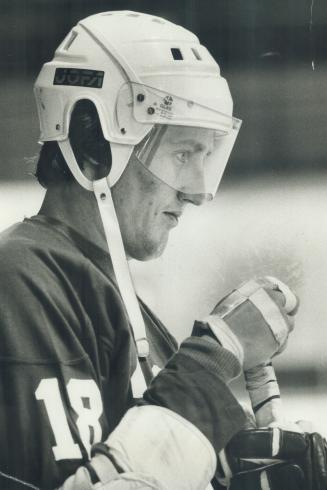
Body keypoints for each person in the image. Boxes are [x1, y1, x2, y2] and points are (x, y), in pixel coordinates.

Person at [0, 10, 325, 490]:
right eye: (182, 154)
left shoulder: (120, 306)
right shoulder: (23, 284)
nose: (197, 190)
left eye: (205, 157)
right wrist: (214, 362)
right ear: (94, 143)